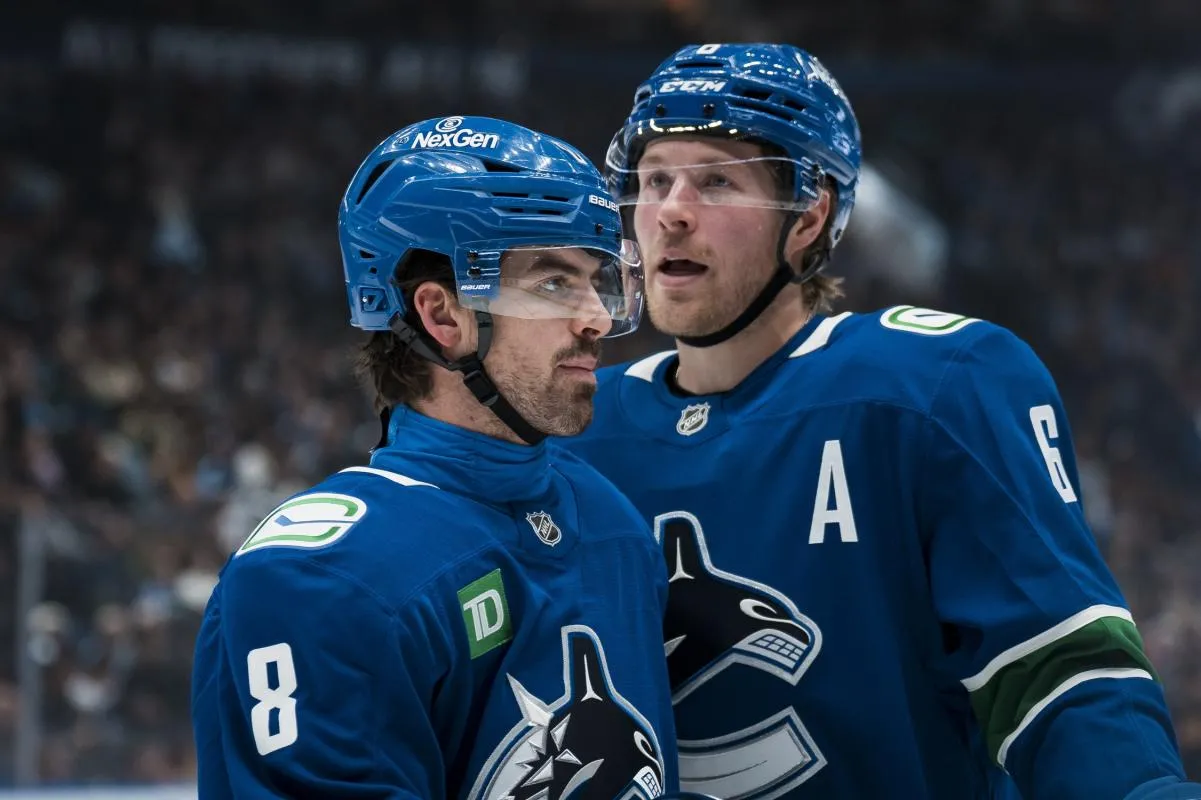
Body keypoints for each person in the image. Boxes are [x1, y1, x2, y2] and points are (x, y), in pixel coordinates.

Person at [555, 44, 1201, 799]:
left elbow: (1057, 672)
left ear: (808, 214)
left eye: (716, 181)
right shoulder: (577, 430)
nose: (669, 212)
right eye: (654, 179)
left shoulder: (933, 385)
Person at [191, 116, 679, 800]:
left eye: (597, 281)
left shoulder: (611, 521)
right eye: (552, 283)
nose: (596, 316)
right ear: (442, 315)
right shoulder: (320, 577)